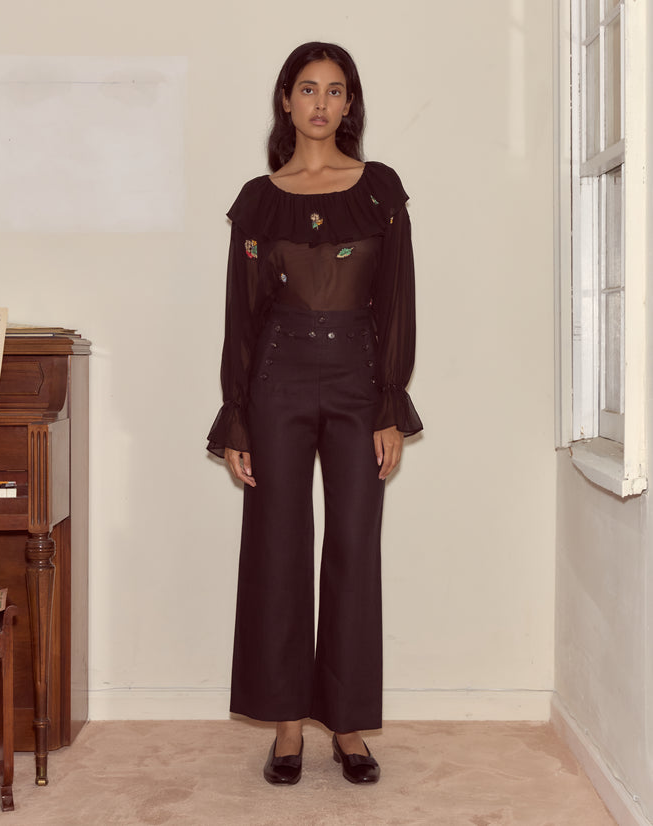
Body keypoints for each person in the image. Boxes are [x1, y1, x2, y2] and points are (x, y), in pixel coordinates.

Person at [207, 41, 422, 785]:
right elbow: (241, 316)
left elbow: (395, 302)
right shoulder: (260, 199)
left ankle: (350, 725)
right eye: (307, 89)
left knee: (355, 551)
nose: (322, 103)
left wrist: (390, 403)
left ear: (350, 104)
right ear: (287, 102)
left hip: (361, 386)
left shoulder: (380, 189)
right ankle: (288, 725)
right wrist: (237, 414)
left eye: (335, 90)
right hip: (276, 384)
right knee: (276, 550)